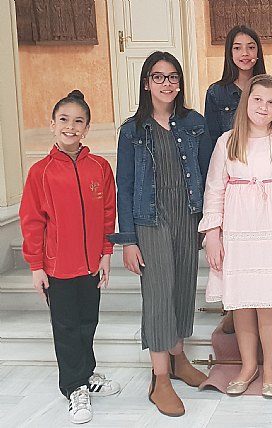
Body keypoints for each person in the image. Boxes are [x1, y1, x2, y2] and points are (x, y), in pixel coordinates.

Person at [200, 74, 272, 398]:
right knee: (242, 303)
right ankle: (248, 365)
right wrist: (212, 234)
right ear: (246, 102)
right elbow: (213, 191)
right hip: (238, 230)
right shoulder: (227, 141)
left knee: (268, 301)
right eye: (258, 100)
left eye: (271, 102)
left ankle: (270, 367)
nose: (264, 107)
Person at [109, 51, 212, 417]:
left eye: (173, 77)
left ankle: (179, 358)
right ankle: (161, 379)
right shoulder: (132, 130)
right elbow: (124, 186)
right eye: (159, 77)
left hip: (187, 216)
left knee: (183, 287)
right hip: (149, 219)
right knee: (157, 294)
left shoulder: (194, 123)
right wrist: (128, 240)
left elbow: (208, 172)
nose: (166, 83)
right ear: (146, 82)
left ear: (179, 83)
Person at [20, 90, 120, 424]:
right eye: (64, 120)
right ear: (52, 124)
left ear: (87, 128)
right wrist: (36, 266)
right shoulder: (41, 172)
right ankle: (74, 386)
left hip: (91, 265)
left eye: (78, 121)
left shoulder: (100, 167)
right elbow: (32, 221)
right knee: (65, 328)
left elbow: (108, 214)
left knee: (87, 322)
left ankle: (87, 374)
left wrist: (106, 254)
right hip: (57, 267)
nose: (71, 127)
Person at [204, 25, 272, 335]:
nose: (245, 53)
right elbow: (212, 141)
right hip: (235, 177)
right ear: (230, 53)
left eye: (251, 47)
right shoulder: (217, 92)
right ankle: (235, 307)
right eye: (238, 48)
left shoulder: (269, 87)